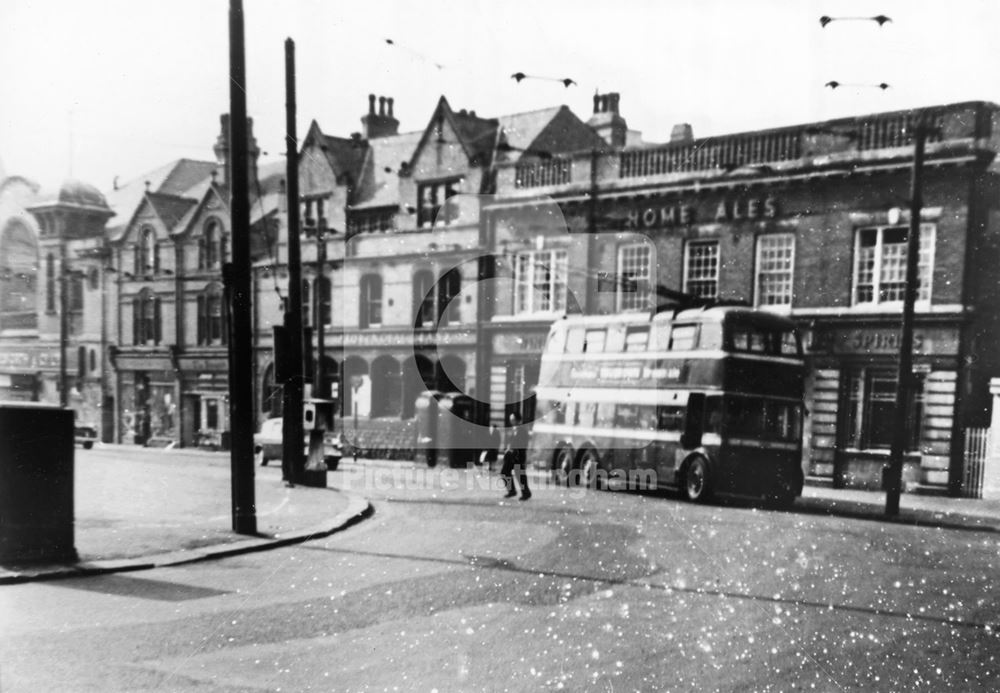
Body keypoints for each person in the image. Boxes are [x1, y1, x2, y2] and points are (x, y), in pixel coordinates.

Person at [501, 412, 531, 500]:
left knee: (520, 475)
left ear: (518, 420)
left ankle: (526, 493)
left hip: (518, 456)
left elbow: (523, 444)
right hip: (511, 456)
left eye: (513, 419)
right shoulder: (513, 430)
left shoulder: (523, 431)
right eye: (511, 419)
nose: (511, 421)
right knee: (505, 472)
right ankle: (512, 491)